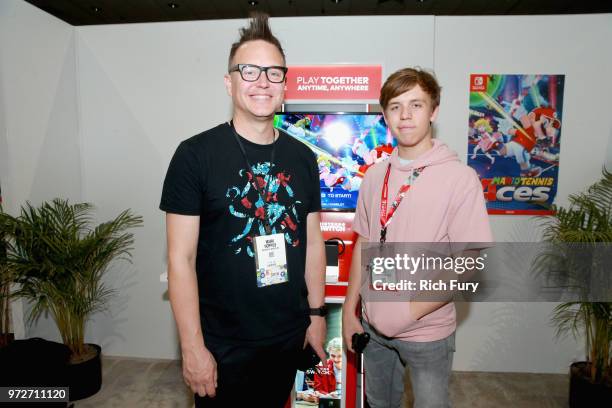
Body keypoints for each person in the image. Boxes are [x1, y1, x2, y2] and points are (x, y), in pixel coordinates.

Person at [160, 13, 327, 408]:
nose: (262, 81)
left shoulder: (303, 158)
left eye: (273, 72)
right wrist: (193, 347)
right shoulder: (194, 156)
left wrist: (317, 316)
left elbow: (314, 241)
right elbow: (180, 259)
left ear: (285, 84)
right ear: (229, 82)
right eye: (249, 70)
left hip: (287, 336)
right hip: (221, 344)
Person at [342, 67, 492, 408]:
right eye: (395, 106)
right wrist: (350, 311)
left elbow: (469, 263)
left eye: (416, 105)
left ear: (434, 111)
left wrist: (409, 312)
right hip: (373, 330)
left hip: (427, 332)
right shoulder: (374, 175)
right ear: (385, 115)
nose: (405, 115)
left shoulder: (459, 178)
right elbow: (364, 244)